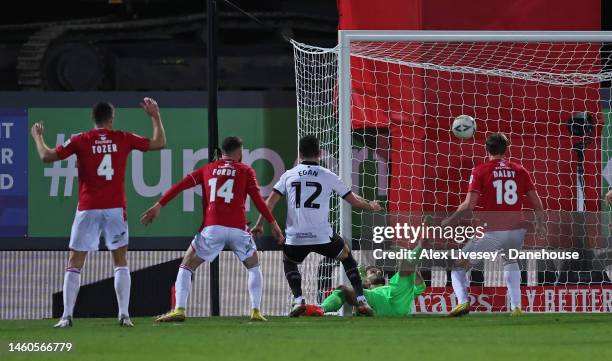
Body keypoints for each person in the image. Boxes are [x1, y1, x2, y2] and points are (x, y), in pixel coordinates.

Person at [31, 98, 167, 328]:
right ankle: (124, 315)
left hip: (88, 208)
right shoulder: (122, 137)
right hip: (115, 208)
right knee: (120, 260)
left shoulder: (81, 139)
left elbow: (46, 156)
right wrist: (155, 116)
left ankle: (66, 316)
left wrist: (37, 136)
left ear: (93, 119)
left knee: (74, 261)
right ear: (111, 119)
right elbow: (159, 143)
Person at [141, 136, 284, 322]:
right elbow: (258, 200)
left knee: (186, 265)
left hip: (212, 229)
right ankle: (256, 310)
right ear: (239, 152)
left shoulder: (207, 169)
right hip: (238, 230)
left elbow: (179, 186)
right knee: (253, 266)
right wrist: (273, 224)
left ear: (222, 151)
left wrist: (159, 205)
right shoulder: (246, 170)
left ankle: (179, 309)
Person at [252, 135, 382, 317]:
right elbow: (352, 200)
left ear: (300, 154)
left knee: (289, 261)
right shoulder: (327, 175)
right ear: (320, 153)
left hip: (295, 237)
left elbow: (269, 203)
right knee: (345, 255)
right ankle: (361, 301)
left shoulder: (288, 175)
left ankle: (298, 300)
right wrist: (371, 205)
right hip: (322, 236)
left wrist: (259, 224)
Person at [441, 132, 546, 317]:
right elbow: (537, 203)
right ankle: (516, 307)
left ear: (486, 149)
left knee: (458, 266)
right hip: (516, 231)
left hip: (492, 231)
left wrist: (449, 221)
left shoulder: (480, 171)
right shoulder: (520, 170)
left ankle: (463, 302)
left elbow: (468, 205)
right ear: (506, 149)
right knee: (510, 260)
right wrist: (541, 225)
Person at [307, 246, 426, 317]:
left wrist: (413, 269)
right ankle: (321, 309)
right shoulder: (366, 293)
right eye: (373, 272)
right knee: (343, 290)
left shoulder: (393, 287)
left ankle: (420, 245)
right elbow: (355, 302)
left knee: (405, 270)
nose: (378, 272)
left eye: (379, 272)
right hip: (372, 301)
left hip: (396, 300)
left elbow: (421, 287)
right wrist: (361, 283)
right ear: (367, 279)